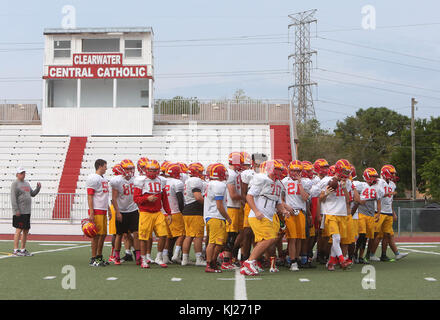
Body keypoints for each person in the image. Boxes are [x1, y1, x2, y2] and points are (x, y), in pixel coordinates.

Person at [240, 160, 290, 276]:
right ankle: (249, 262)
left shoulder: (278, 184)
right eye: (277, 169)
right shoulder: (262, 180)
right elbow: (249, 196)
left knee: (270, 239)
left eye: (280, 170)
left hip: (269, 215)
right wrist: (256, 211)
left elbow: (278, 202)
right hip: (259, 216)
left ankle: (250, 263)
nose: (279, 172)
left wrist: (284, 211)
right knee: (268, 239)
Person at [133, 159, 171, 269]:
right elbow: (136, 199)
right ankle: (144, 259)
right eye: (150, 170)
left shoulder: (161, 180)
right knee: (144, 238)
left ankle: (159, 257)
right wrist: (147, 198)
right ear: (146, 170)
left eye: (155, 170)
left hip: (158, 212)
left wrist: (169, 213)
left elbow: (164, 198)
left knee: (163, 235)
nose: (153, 172)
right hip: (145, 213)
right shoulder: (141, 181)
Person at [318, 159, 353, 271]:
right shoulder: (327, 180)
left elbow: (348, 200)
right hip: (330, 213)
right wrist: (326, 194)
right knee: (336, 238)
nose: (347, 174)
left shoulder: (347, 183)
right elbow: (321, 199)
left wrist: (343, 188)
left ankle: (331, 262)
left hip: (342, 213)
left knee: (336, 240)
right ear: (338, 170)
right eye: (345, 171)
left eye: (348, 172)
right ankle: (342, 260)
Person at [109, 159, 140, 265]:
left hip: (133, 210)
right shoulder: (116, 181)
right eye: (128, 169)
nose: (130, 171)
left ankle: (138, 256)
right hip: (122, 210)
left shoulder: (136, 179)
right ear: (122, 169)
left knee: (136, 233)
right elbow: (114, 198)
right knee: (119, 234)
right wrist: (117, 212)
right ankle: (116, 256)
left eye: (131, 168)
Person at [204, 163, 232, 273]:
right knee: (213, 242)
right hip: (216, 216)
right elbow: (219, 205)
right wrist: (228, 217)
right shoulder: (218, 185)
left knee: (219, 242)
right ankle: (210, 263)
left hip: (212, 216)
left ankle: (213, 261)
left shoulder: (211, 183)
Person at [86, 159, 111, 267]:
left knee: (103, 234)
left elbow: (105, 196)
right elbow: (90, 196)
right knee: (96, 235)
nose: (106, 168)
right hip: (97, 210)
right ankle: (93, 258)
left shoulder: (103, 179)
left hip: (103, 209)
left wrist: (109, 209)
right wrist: (91, 211)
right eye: (105, 166)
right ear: (100, 166)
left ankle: (99, 256)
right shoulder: (93, 178)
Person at [11, 167, 41, 256]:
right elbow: (13, 198)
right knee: (18, 230)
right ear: (17, 174)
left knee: (26, 230)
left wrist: (38, 188)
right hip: (19, 212)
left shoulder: (27, 184)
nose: (23, 174)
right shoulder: (15, 184)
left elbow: (32, 194)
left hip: (27, 211)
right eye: (21, 173)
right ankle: (16, 250)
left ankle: (23, 249)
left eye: (24, 173)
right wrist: (16, 210)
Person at [181, 162, 206, 266]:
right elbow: (198, 197)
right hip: (195, 211)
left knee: (188, 236)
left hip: (187, 209)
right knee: (198, 236)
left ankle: (185, 259)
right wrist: (207, 205)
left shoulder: (188, 180)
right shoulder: (196, 180)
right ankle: (199, 259)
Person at [222, 152, 244, 270]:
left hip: (235, 207)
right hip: (232, 207)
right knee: (231, 235)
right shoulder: (231, 174)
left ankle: (230, 258)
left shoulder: (234, 173)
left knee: (236, 234)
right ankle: (226, 260)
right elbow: (233, 194)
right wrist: (245, 198)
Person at [163, 163, 186, 264]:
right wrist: (182, 211)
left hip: (165, 212)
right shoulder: (177, 182)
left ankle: (165, 256)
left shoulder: (163, 181)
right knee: (182, 233)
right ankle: (176, 254)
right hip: (175, 211)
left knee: (169, 236)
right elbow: (180, 199)